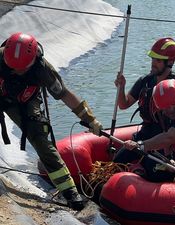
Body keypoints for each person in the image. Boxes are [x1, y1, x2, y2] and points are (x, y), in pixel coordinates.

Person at [0, 32, 103, 210]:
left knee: (41, 140)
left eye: (21, 69)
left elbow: (65, 95)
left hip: (26, 101)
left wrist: (89, 119)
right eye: (12, 68)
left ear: (32, 62)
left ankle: (70, 192)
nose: (16, 71)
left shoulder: (43, 70)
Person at [113, 37, 175, 181]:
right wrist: (121, 87)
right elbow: (124, 104)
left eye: (158, 60)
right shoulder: (145, 81)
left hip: (165, 139)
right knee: (118, 161)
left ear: (170, 62)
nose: (153, 64)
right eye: (153, 59)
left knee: (156, 173)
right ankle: (137, 169)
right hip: (145, 134)